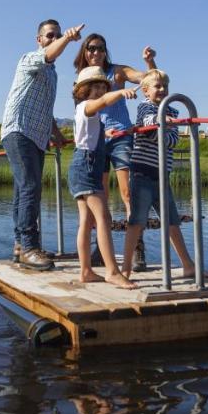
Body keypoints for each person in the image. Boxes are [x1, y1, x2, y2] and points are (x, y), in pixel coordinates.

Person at [1, 19, 84, 271]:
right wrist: (68, 39)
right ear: (39, 40)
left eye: (57, 35)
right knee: (30, 187)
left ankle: (20, 245)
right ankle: (28, 247)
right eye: (50, 35)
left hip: (37, 136)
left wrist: (56, 133)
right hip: (18, 130)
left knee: (23, 189)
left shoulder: (53, 73)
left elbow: (45, 108)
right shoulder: (29, 58)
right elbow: (49, 54)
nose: (53, 38)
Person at [73, 33, 157, 269]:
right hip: (96, 142)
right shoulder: (83, 78)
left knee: (128, 194)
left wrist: (149, 62)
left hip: (120, 137)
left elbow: (148, 79)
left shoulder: (117, 72)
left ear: (105, 51)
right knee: (100, 199)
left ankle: (137, 250)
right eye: (91, 48)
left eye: (100, 48)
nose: (95, 53)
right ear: (84, 51)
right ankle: (101, 250)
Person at [121, 70, 201, 278]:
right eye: (157, 86)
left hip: (162, 176)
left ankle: (188, 265)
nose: (163, 89)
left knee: (172, 222)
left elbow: (172, 141)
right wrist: (160, 121)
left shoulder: (172, 112)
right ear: (146, 91)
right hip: (142, 173)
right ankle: (126, 270)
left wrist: (164, 124)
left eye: (165, 86)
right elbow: (148, 123)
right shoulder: (144, 107)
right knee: (137, 222)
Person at [69, 67, 139, 289]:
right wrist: (120, 93)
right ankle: (112, 272)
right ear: (85, 90)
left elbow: (87, 134)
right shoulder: (88, 106)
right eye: (96, 87)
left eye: (102, 87)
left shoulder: (89, 112)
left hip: (82, 166)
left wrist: (105, 133)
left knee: (86, 221)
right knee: (104, 219)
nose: (100, 90)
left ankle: (86, 270)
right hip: (86, 167)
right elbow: (105, 102)